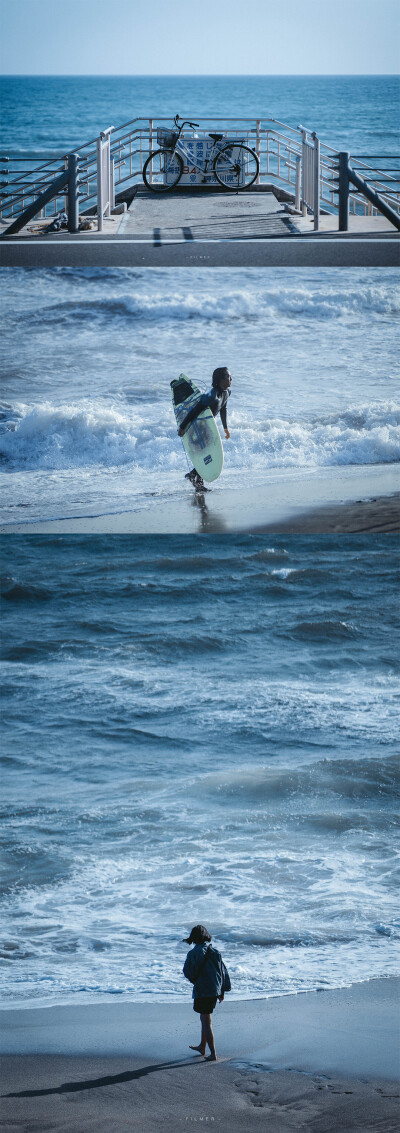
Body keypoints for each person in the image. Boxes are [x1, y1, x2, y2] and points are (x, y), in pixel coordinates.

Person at [183, 924, 231, 1061]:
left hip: (202, 990)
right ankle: (202, 1046)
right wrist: (222, 991)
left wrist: (194, 980)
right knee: (205, 1018)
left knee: (206, 1021)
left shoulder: (193, 953)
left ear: (193, 937)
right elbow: (223, 973)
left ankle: (213, 1054)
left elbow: (187, 972)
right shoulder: (215, 951)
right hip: (214, 990)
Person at [178, 367, 232, 491]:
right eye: (229, 377)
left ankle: (194, 476)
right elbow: (195, 410)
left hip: (208, 426)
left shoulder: (227, 392)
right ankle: (196, 479)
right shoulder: (211, 396)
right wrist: (182, 426)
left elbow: (223, 409)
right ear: (220, 380)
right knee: (207, 453)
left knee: (209, 452)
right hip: (199, 427)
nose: (231, 379)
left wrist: (225, 428)